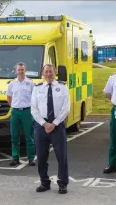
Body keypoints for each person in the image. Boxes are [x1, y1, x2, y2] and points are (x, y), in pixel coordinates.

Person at [31, 63, 70, 194]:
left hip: (57, 126)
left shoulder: (62, 87)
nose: (48, 74)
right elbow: (33, 109)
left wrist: (54, 123)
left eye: (51, 72)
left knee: (61, 156)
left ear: (55, 73)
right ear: (43, 74)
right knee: (41, 156)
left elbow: (66, 107)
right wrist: (44, 123)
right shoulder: (37, 88)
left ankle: (62, 183)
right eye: (46, 72)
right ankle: (44, 182)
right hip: (41, 126)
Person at [6, 62, 36, 166]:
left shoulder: (30, 83)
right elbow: (9, 97)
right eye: (19, 70)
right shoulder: (12, 83)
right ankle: (15, 158)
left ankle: (31, 158)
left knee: (29, 136)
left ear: (25, 70)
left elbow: (34, 98)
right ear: (16, 71)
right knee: (14, 136)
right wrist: (13, 106)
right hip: (15, 111)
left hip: (27, 111)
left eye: (22, 69)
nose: (20, 71)